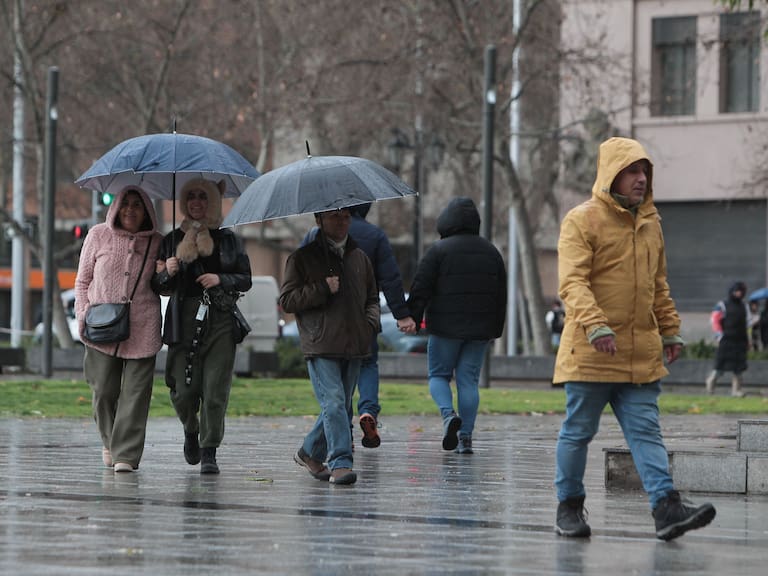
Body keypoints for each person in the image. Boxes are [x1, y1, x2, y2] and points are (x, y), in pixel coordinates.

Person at [553, 136, 716, 541]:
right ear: (612, 175)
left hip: (640, 353)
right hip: (592, 351)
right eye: (631, 171)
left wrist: (670, 329)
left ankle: (666, 508)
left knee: (646, 432)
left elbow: (657, 285)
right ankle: (569, 506)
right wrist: (595, 325)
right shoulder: (581, 219)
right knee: (578, 431)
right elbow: (572, 283)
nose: (640, 178)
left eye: (644, 171)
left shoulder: (650, 224)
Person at [151, 178, 252, 475]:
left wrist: (222, 279)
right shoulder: (170, 241)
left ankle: (209, 450)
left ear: (213, 201)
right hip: (183, 319)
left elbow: (245, 277)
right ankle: (191, 429)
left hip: (219, 317)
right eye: (191, 197)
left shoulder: (229, 239)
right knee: (182, 390)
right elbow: (156, 285)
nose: (197, 202)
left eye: (203, 197)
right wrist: (166, 273)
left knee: (215, 388)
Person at [301, 203, 416, 448]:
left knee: (338, 382)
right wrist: (401, 314)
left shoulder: (313, 237)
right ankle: (368, 411)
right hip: (361, 320)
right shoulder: (375, 236)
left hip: (326, 325)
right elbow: (390, 277)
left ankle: (344, 434)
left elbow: (300, 277)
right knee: (366, 364)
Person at [281, 208, 380, 485]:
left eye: (346, 216)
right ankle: (340, 463)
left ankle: (309, 452)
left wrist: (370, 322)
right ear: (319, 219)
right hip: (321, 343)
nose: (342, 221)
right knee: (335, 403)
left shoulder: (360, 258)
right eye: (335, 216)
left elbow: (373, 297)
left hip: (356, 343)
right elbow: (288, 300)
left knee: (341, 407)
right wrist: (322, 288)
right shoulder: (302, 258)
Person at [406, 196, 507, 455]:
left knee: (438, 375)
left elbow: (421, 287)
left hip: (444, 328)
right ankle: (466, 438)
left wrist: (413, 318)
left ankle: (448, 415)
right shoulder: (491, 252)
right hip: (479, 330)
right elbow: (500, 294)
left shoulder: (438, 251)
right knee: (468, 381)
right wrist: (495, 328)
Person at [75, 186, 163, 473]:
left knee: (136, 394)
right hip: (100, 325)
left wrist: (167, 270)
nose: (130, 210)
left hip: (143, 325)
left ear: (147, 211)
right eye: (125, 203)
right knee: (103, 391)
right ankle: (110, 440)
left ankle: (125, 454)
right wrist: (82, 315)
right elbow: (82, 281)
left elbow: (164, 285)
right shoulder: (97, 235)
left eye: (138, 205)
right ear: (115, 207)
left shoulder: (158, 243)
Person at [705, 282, 750, 397]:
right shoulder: (722, 305)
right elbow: (714, 320)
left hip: (740, 341)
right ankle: (710, 385)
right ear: (732, 291)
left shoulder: (744, 306)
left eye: (741, 291)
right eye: (737, 291)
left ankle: (736, 391)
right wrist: (719, 336)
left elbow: (746, 324)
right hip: (726, 340)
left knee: (739, 368)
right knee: (720, 366)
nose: (739, 293)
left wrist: (747, 340)